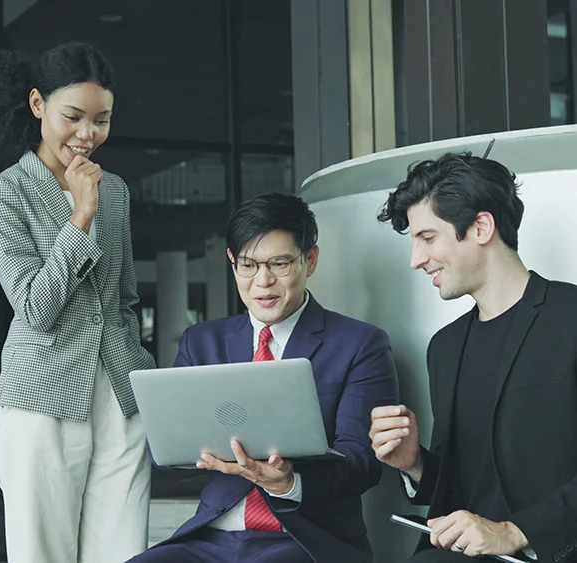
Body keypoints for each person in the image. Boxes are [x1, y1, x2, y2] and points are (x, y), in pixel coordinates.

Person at [369, 153, 577, 563]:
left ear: (481, 227)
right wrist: (414, 463)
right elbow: (465, 487)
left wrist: (515, 532)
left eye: (428, 238)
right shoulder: (445, 347)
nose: (416, 260)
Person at [128, 193, 399, 563]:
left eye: (280, 263)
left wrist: (290, 483)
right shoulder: (202, 342)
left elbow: (362, 462)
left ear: (311, 260)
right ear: (232, 263)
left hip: (304, 539)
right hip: (210, 539)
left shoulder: (359, 344)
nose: (263, 281)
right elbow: (164, 453)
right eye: (248, 265)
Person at [0, 42, 155, 563]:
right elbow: (36, 309)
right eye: (73, 117)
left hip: (121, 400)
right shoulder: (3, 193)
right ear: (37, 105)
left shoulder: (115, 191)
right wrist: (79, 216)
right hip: (42, 400)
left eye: (102, 120)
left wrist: (138, 374)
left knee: (123, 553)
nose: (87, 134)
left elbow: (125, 298)